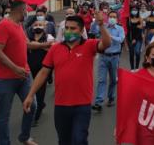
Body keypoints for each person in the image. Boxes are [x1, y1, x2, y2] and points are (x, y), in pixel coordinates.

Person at [23, 13, 110, 145]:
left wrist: (101, 25)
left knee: (79, 139)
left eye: (73, 28)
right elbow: (43, 73)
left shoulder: (89, 45)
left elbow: (107, 43)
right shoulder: (55, 49)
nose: (69, 31)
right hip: (61, 105)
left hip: (82, 104)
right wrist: (30, 95)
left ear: (81, 31)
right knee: (64, 140)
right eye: (67, 28)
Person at [0, 0, 37, 145]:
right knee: (4, 115)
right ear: (21, 10)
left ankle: (24, 137)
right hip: (5, 79)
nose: (27, 13)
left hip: (24, 75)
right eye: (26, 11)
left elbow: (27, 44)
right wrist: (14, 68)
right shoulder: (4, 25)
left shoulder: (19, 25)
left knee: (32, 105)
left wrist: (46, 45)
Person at [91, 10, 125, 110]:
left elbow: (121, 39)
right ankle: (99, 102)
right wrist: (96, 21)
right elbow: (93, 31)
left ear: (117, 19)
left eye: (114, 17)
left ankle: (111, 97)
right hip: (103, 56)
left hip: (115, 57)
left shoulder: (120, 28)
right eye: (111, 16)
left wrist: (108, 36)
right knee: (101, 80)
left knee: (113, 79)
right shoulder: (103, 26)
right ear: (107, 17)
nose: (112, 18)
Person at [26, 20, 54, 126]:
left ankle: (35, 117)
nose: (38, 26)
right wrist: (44, 46)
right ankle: (40, 105)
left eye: (40, 25)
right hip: (29, 69)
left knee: (39, 92)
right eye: (36, 25)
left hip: (43, 70)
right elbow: (27, 45)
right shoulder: (29, 36)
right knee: (30, 91)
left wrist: (34, 45)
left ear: (45, 27)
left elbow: (52, 46)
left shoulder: (49, 36)